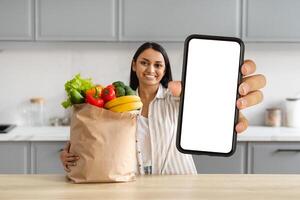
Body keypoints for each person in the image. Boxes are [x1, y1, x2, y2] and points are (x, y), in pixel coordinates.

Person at [60, 42, 266, 175]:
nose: (151, 69)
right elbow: (95, 138)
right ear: (134, 65)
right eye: (144, 63)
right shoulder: (117, 104)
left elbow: (210, 111)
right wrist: (69, 151)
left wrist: (227, 102)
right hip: (134, 188)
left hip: (181, 185)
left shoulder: (178, 99)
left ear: (165, 70)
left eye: (158, 65)